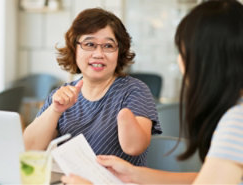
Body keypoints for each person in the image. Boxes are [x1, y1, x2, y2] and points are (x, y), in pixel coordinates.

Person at [61, 0, 243, 184]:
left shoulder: (237, 121)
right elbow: (206, 179)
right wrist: (134, 174)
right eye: (89, 44)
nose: (180, 62)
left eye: (183, 51)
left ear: (207, 61)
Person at [23, 8, 161, 166]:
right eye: (89, 44)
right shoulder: (61, 95)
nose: (98, 54)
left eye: (108, 46)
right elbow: (29, 148)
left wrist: (124, 117)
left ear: (119, 52)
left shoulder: (135, 90)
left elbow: (135, 147)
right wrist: (55, 110)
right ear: (75, 49)